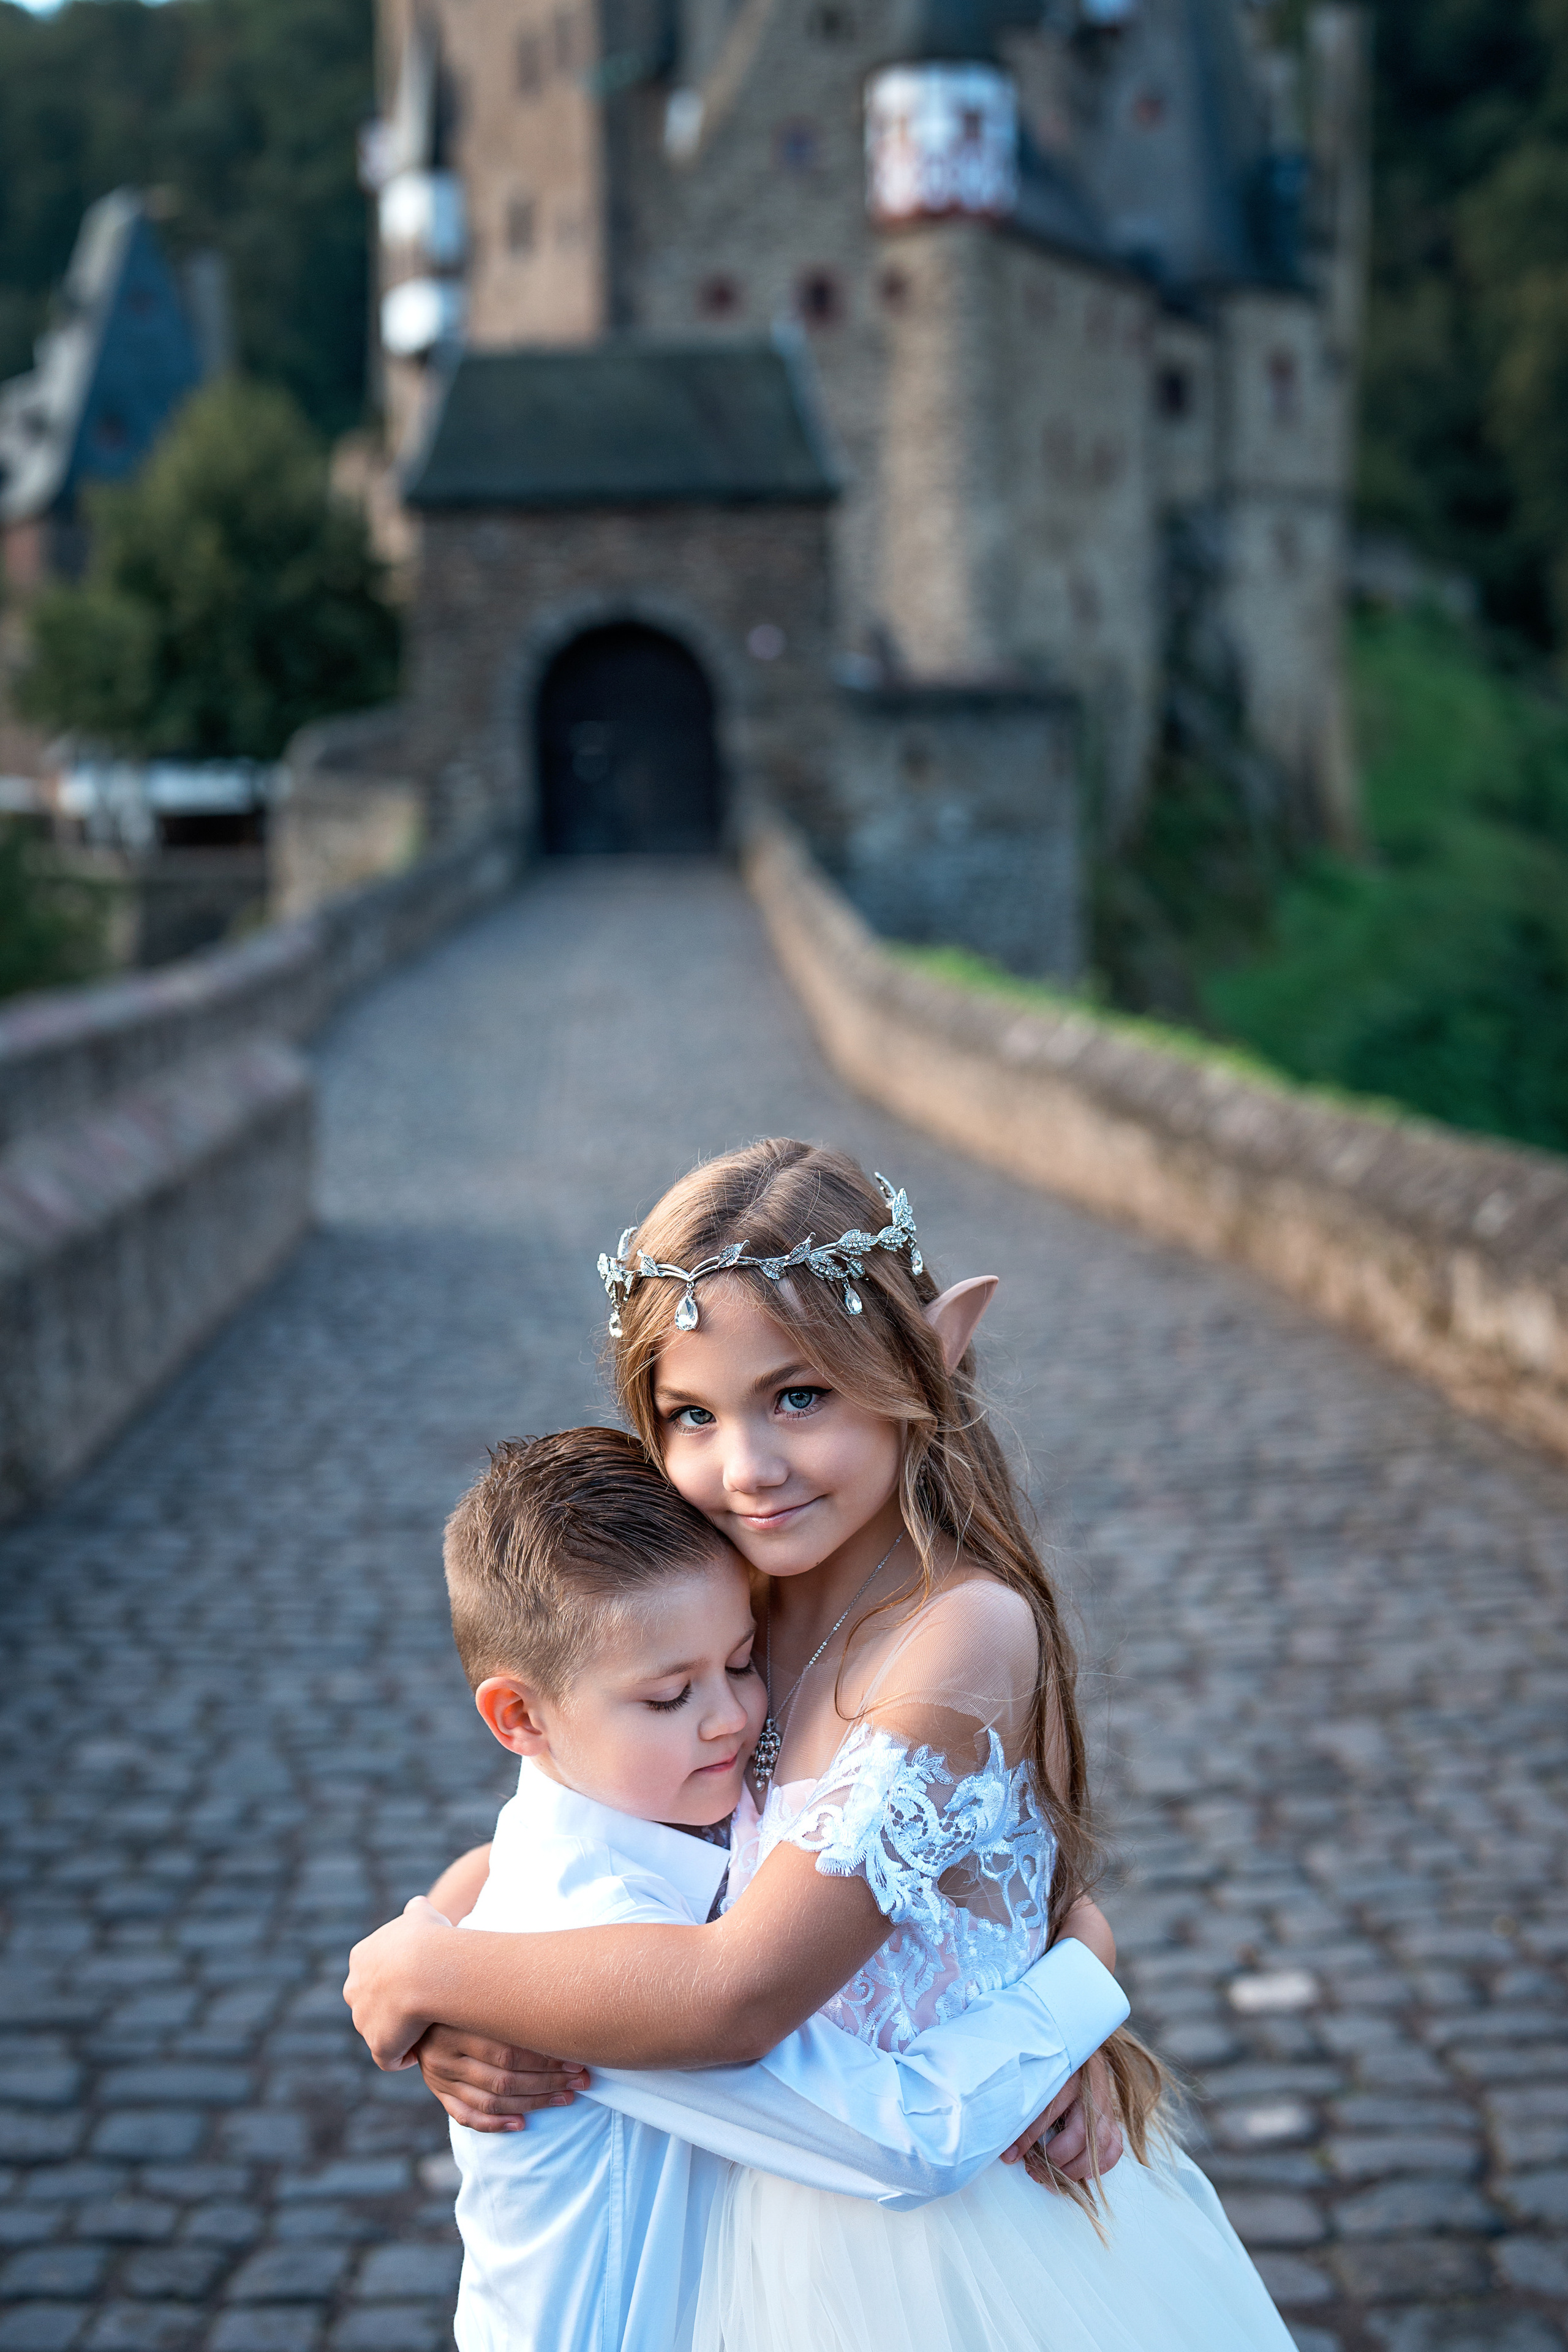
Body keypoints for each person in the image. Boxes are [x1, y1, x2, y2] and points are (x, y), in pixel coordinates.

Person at [347, 1143, 1297, 2351]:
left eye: (798, 1396)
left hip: (938, 2241)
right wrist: (448, 1951)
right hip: (723, 2213)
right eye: (692, 1415)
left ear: (916, 1366)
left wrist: (420, 1979)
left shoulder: (957, 1635)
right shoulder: (716, 1598)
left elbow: (740, 1992)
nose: (744, 1467)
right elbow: (577, 1829)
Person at [420, 1422, 1132, 2351]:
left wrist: (427, 1941)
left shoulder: (636, 1803)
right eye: (670, 1696)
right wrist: (1085, 1972)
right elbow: (910, 2137)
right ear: (519, 1717)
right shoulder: (595, 1933)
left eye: (745, 1661)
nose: (732, 1718)